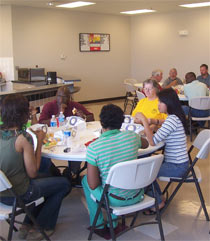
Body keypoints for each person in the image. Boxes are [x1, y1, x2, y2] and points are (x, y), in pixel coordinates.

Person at [0, 94, 71, 240]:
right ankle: (43, 226)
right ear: (23, 114)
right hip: (17, 194)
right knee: (64, 184)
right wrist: (38, 141)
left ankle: (27, 223)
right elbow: (33, 173)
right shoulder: (22, 139)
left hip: (2, 190)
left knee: (50, 178)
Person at [82, 104, 148, 232]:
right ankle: (113, 222)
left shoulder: (94, 148)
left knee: (86, 180)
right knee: (111, 180)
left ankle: (98, 223)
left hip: (114, 200)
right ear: (122, 122)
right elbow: (145, 144)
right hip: (137, 194)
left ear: (101, 123)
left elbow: (93, 185)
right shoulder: (132, 137)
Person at [137, 88, 189, 213]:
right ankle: (157, 196)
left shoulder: (172, 120)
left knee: (145, 170)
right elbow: (164, 123)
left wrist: (145, 120)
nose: (158, 104)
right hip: (180, 162)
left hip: (177, 166)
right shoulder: (175, 117)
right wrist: (154, 123)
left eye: (160, 102)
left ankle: (158, 202)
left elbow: (152, 142)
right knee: (145, 161)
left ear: (168, 104)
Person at [39, 86, 95, 177]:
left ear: (69, 98)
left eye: (65, 97)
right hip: (54, 137)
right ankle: (54, 172)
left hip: (73, 137)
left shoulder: (74, 106)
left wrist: (83, 116)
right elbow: (41, 122)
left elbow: (91, 117)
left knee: (76, 149)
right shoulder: (49, 106)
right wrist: (58, 115)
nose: (61, 99)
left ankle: (73, 172)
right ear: (55, 96)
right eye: (59, 96)